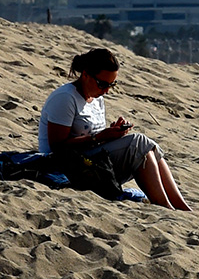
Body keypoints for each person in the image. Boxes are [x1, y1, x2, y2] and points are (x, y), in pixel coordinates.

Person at [38, 47, 191, 210]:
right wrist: (100, 137)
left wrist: (113, 134)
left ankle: (182, 207)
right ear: (85, 75)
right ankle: (164, 206)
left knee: (148, 147)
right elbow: (57, 147)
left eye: (111, 84)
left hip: (90, 163)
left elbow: (93, 139)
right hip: (64, 168)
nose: (106, 90)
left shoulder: (96, 98)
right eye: (102, 84)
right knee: (138, 142)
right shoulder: (65, 98)